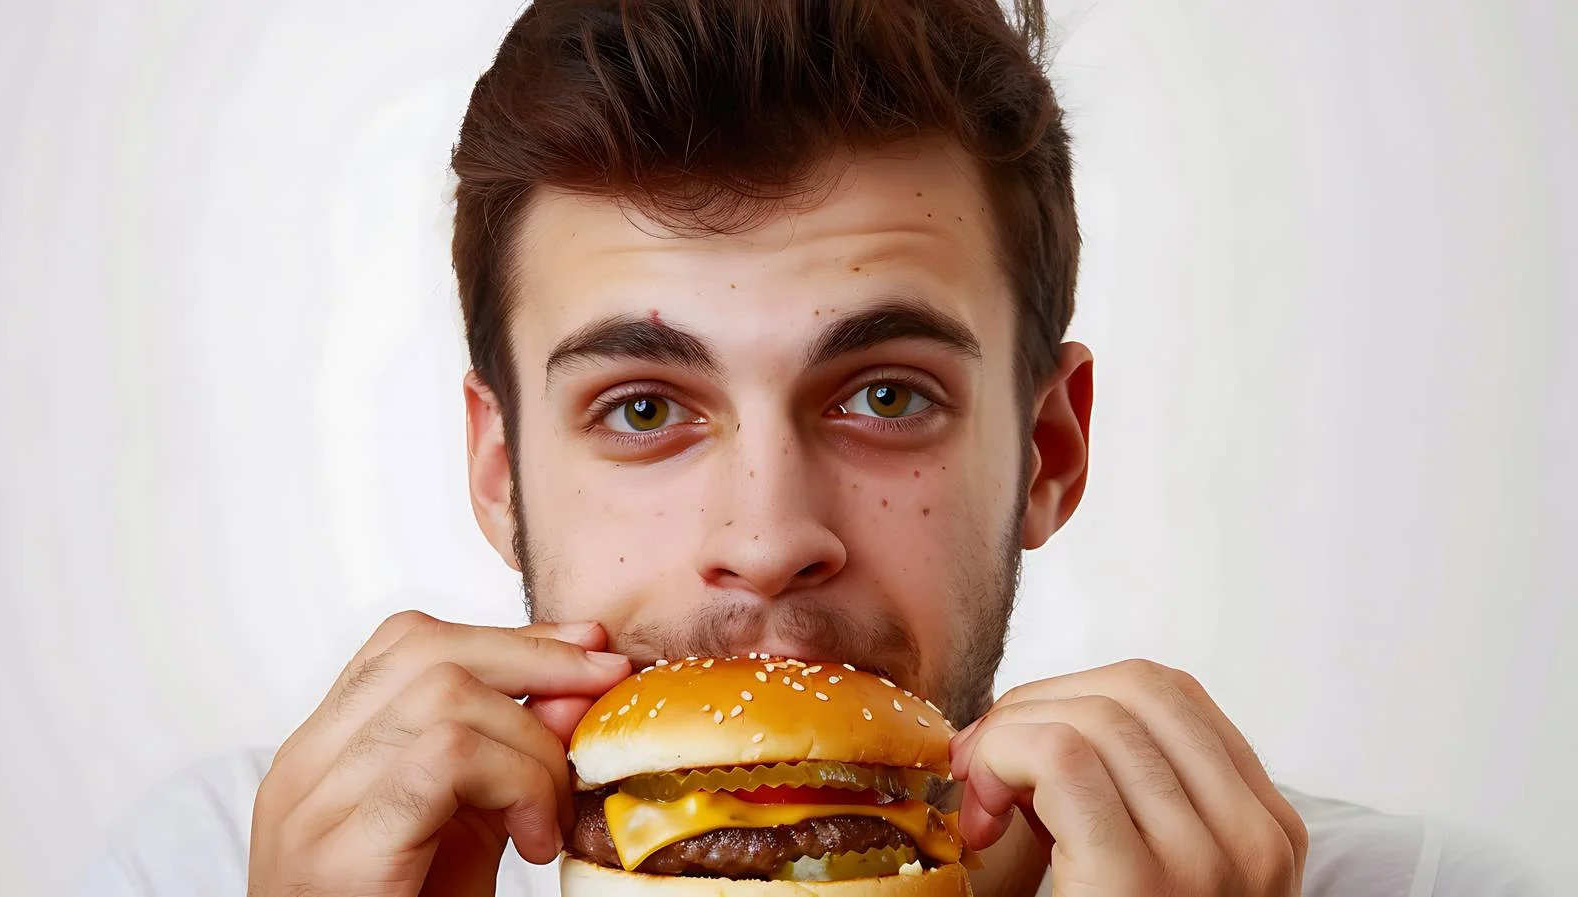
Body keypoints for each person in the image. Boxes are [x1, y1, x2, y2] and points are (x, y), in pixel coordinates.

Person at [75, 1, 1539, 895]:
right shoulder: (218, 867)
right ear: (500, 473)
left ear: (1046, 449)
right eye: (642, 409)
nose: (770, 540)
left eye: (885, 396)